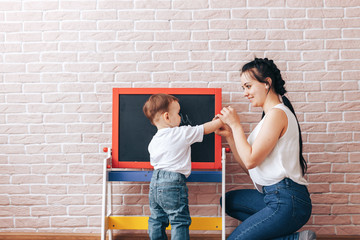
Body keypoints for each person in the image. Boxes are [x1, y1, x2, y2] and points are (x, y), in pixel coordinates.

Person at [216, 58, 316, 240]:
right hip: (274, 195)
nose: (245, 93)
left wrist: (236, 125)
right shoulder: (268, 118)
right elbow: (250, 167)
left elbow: (250, 159)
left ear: (267, 83)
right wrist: (231, 136)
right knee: (228, 201)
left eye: (248, 86)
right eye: (243, 88)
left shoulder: (278, 114)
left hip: (287, 199)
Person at [143, 93, 223, 240]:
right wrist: (221, 121)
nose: (180, 117)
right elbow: (205, 128)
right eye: (178, 113)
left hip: (155, 181)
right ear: (167, 117)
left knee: (156, 219)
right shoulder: (181, 133)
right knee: (179, 220)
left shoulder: (153, 141)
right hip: (173, 181)